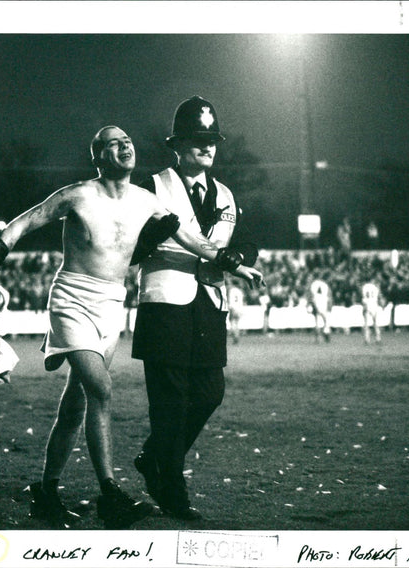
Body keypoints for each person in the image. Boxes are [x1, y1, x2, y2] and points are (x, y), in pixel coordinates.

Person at [0, 124, 260, 529]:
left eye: (127, 142)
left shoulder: (146, 200)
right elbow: (25, 222)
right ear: (98, 156)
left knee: (75, 404)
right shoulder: (77, 195)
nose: (125, 147)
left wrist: (235, 264)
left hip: (111, 304)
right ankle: (111, 494)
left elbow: (193, 239)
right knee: (101, 389)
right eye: (114, 144)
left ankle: (47, 490)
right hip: (72, 299)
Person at [130, 96, 263, 521]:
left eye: (212, 140)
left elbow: (246, 240)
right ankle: (172, 489)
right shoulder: (151, 187)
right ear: (178, 144)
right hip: (165, 304)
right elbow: (130, 249)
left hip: (209, 305)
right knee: (169, 404)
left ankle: (155, 458)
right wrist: (156, 238)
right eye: (197, 140)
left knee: (210, 392)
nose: (207, 147)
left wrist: (240, 257)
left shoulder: (224, 192)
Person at [308, 271, 332, 343]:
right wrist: (330, 305)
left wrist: (310, 303)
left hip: (316, 303)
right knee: (326, 321)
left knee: (317, 321)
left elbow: (310, 295)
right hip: (324, 304)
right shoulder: (325, 284)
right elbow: (329, 295)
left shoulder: (313, 284)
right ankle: (326, 334)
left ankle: (317, 338)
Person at [361, 277, 382, 344]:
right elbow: (378, 296)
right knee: (375, 322)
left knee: (366, 323)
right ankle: (378, 338)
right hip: (374, 304)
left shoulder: (364, 287)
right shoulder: (375, 287)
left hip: (367, 304)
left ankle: (367, 339)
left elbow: (363, 296)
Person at [225, 276, 245, 344]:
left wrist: (230, 308)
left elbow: (231, 301)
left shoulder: (232, 291)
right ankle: (237, 336)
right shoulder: (240, 291)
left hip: (234, 308)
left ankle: (235, 337)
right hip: (240, 308)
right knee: (236, 323)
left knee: (233, 323)